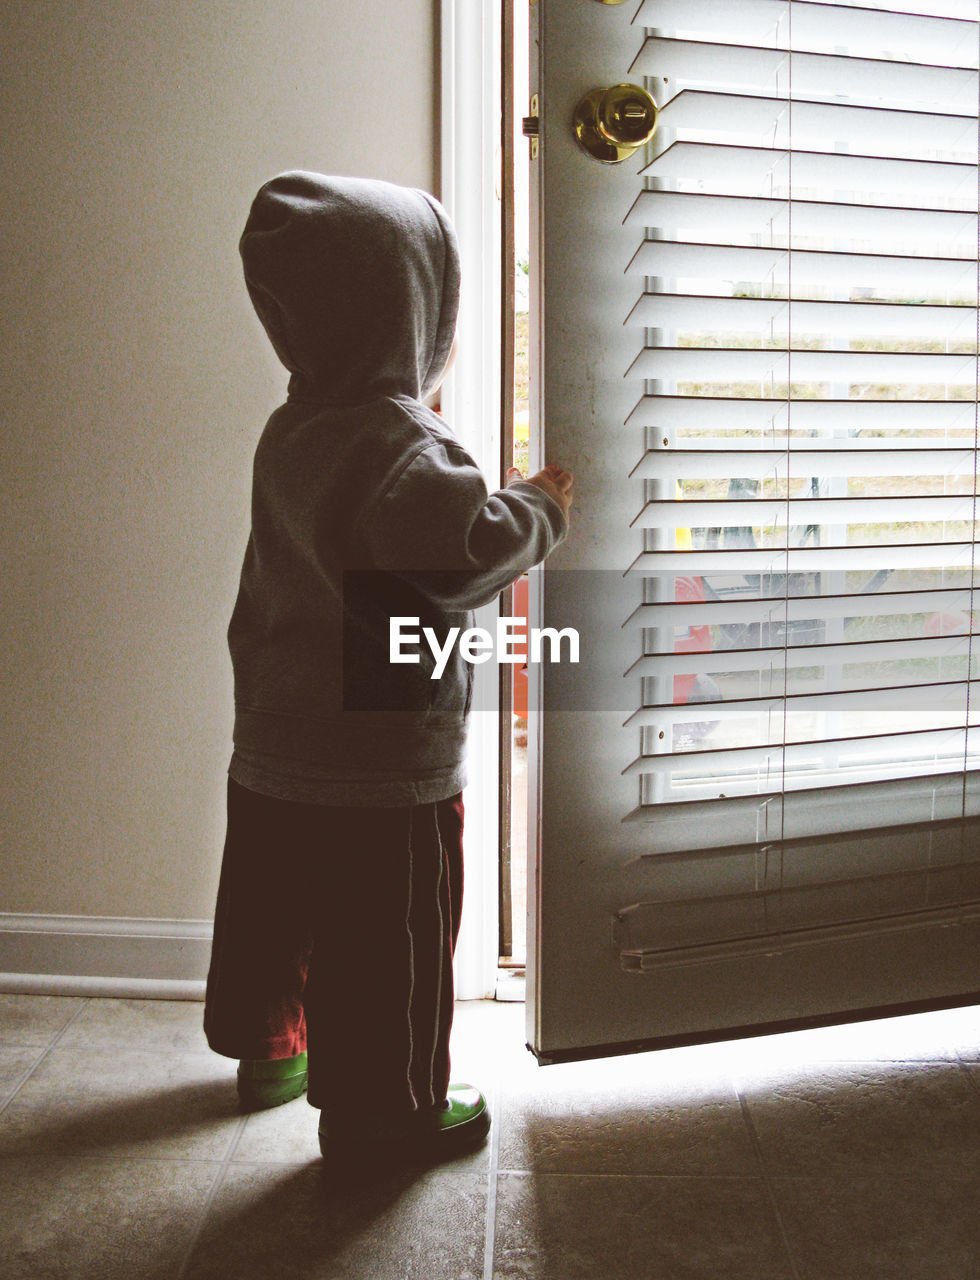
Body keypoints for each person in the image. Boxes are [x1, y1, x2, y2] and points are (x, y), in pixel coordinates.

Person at [203, 170, 573, 1161]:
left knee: (274, 904)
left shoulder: (294, 427)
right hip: (379, 759)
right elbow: (462, 553)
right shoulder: (406, 444)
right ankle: (382, 1108)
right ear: (415, 312)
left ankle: (270, 1050)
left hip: (274, 734)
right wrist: (539, 504)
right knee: (386, 936)